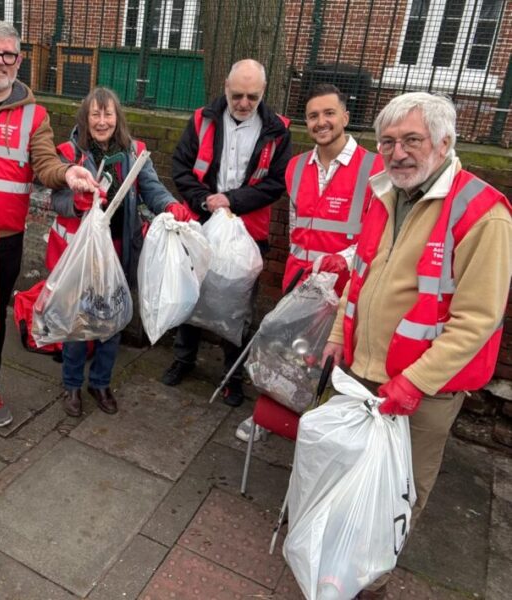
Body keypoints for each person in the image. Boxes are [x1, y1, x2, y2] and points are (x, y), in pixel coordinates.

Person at [321, 92, 512, 599]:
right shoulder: (386, 192)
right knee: (349, 471)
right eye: (387, 142)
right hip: (362, 371)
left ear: (445, 143)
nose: (397, 152)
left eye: (411, 140)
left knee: (400, 489)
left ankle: (371, 579)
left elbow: (478, 319)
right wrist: (339, 336)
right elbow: (361, 274)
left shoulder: (483, 212)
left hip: (422, 391)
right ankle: (337, 558)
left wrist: (416, 381)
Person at [0, 20, 99, 427]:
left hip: (2, 240)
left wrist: (68, 173)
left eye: (8, 55)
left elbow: (45, 164)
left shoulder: (34, 115)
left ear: (19, 60)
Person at [235, 83, 383, 443]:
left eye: (329, 113)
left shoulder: (375, 168)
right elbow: (296, 224)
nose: (321, 122)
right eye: (313, 115)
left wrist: (343, 259)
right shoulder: (296, 167)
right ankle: (269, 414)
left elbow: (379, 233)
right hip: (299, 280)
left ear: (345, 116)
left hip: (344, 287)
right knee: (282, 351)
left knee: (330, 360)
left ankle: (318, 422)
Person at [46, 87, 195, 417]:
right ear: (85, 118)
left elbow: (152, 188)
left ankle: (100, 383)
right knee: (76, 323)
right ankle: (72, 385)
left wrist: (169, 205)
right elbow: (56, 199)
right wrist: (77, 202)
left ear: (118, 117)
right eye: (95, 114)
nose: (102, 121)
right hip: (81, 255)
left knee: (111, 321)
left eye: (108, 114)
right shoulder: (69, 153)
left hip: (118, 250)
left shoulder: (134, 153)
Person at [162, 59, 292, 407]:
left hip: (247, 232)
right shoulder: (201, 120)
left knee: (239, 307)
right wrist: (204, 200)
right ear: (225, 87)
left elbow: (276, 183)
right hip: (202, 223)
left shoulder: (277, 130)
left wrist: (232, 200)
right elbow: (181, 167)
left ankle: (232, 376)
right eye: (237, 96)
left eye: (252, 96)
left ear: (263, 92)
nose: (244, 103)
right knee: (190, 295)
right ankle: (183, 359)